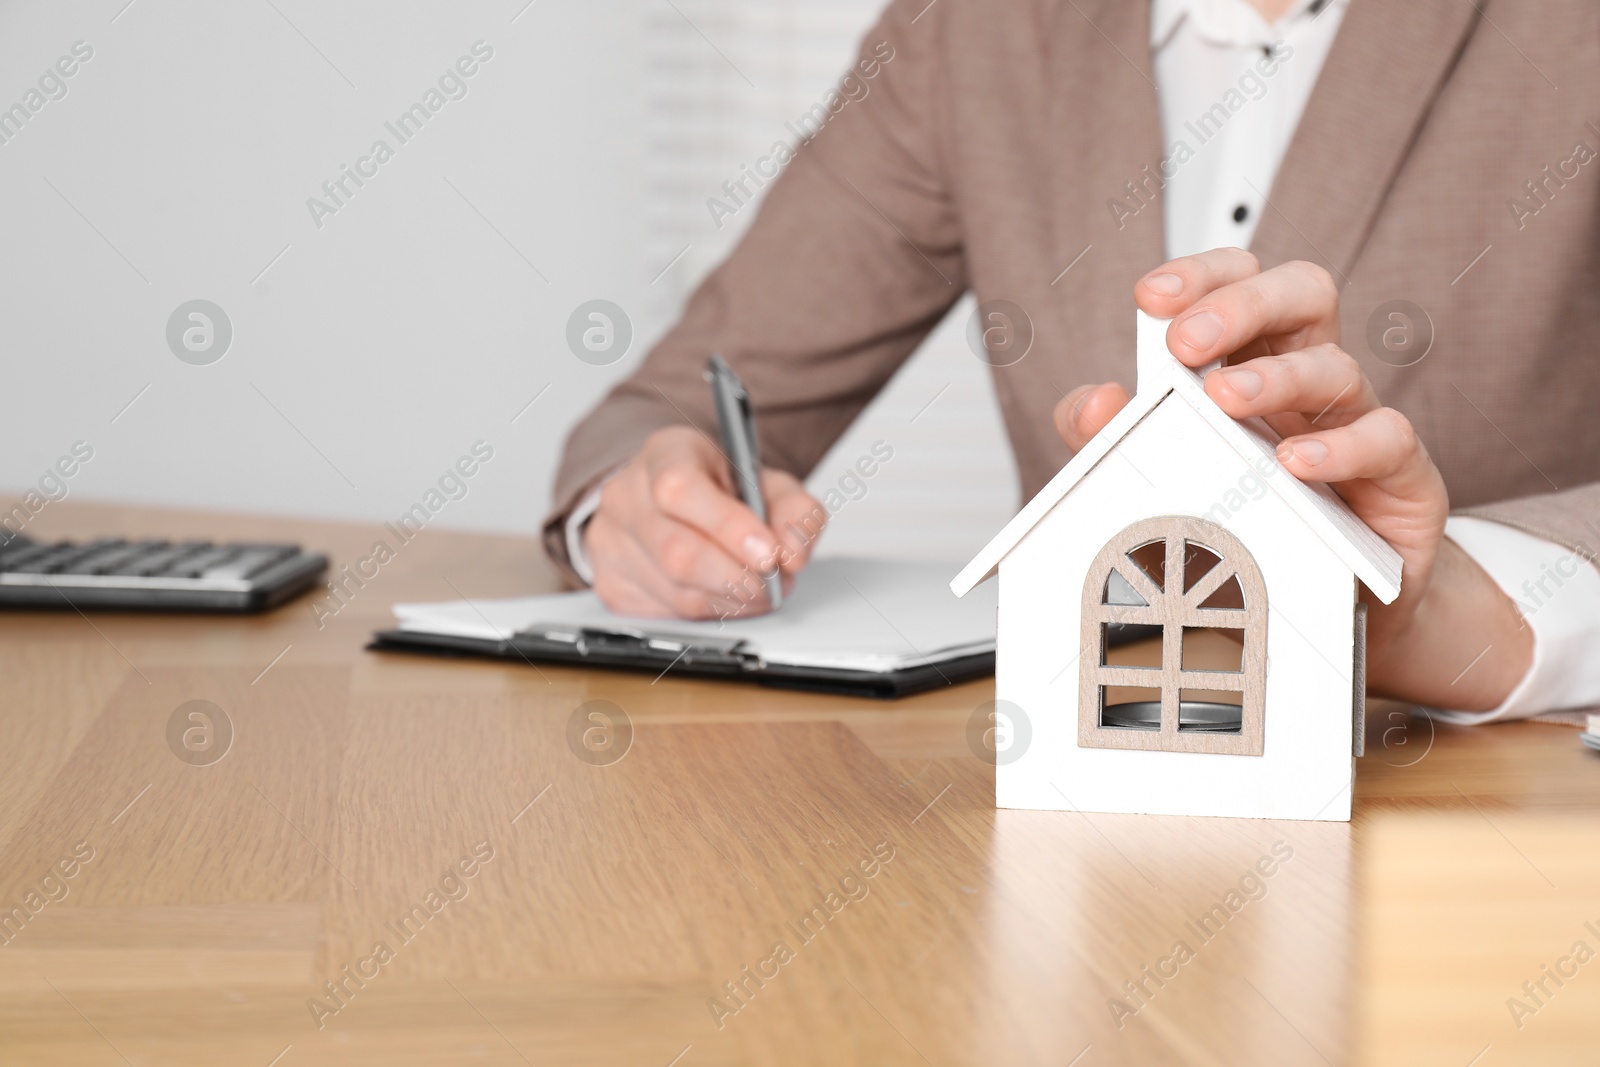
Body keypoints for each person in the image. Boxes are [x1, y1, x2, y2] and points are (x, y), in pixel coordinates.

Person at [544, 0, 1600, 721]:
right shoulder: (978, 28)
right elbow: (686, 392)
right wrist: (641, 513)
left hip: (1475, 814)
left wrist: (1470, 608)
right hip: (1069, 798)